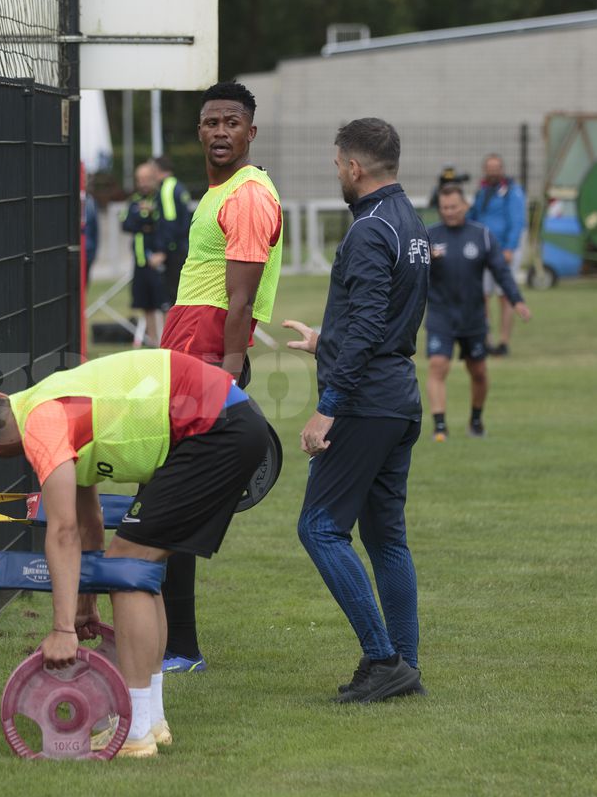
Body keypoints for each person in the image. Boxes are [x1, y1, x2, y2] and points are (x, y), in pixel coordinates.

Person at [0, 349, 268, 756]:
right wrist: (84, 606)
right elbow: (89, 523)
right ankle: (151, 722)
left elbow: (62, 533)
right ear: (0, 395)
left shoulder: (42, 426)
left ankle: (134, 733)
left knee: (127, 566)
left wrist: (63, 630)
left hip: (217, 428)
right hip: (230, 420)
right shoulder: (48, 400)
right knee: (138, 568)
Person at [283, 118, 429, 703]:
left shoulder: (369, 230)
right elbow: (387, 318)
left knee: (318, 528)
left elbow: (370, 322)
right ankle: (405, 666)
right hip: (397, 396)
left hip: (366, 402)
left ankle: (384, 658)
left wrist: (328, 407)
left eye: (337, 165)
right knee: (386, 538)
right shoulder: (409, 221)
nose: (337, 174)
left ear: (353, 167)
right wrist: (327, 341)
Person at [157, 80, 284, 674]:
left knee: (170, 501)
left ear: (251, 132)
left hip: (208, 354)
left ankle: (181, 649)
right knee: (165, 497)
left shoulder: (249, 195)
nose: (220, 132)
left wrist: (226, 378)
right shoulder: (218, 193)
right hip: (189, 347)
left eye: (232, 122)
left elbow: (240, 300)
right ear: (200, 131)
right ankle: (171, 642)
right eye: (211, 122)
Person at [425, 184, 532, 441]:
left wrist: (516, 300)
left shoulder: (482, 235)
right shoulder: (428, 236)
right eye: (444, 208)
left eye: (453, 207)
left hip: (473, 316)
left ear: (465, 206)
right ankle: (440, 426)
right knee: (438, 365)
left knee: (479, 371)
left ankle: (475, 420)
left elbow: (501, 271)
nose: (449, 212)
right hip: (440, 314)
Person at [468, 154, 527, 356]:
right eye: (489, 167)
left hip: (503, 250)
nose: (493, 171)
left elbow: (517, 221)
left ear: (502, 169)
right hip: (483, 250)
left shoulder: (512, 191)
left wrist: (509, 248)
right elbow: (473, 217)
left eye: (496, 167)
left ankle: (504, 341)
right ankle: (486, 339)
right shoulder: (482, 192)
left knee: (505, 295)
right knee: (482, 295)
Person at [120, 162, 169, 346]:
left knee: (164, 303)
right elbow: (126, 224)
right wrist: (144, 223)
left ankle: (168, 342)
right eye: (140, 180)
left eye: (147, 179)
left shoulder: (160, 198)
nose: (143, 183)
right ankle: (153, 341)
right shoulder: (134, 200)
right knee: (146, 304)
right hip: (140, 261)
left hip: (158, 260)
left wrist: (149, 217)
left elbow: (162, 223)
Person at [153, 155, 193, 304]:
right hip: (183, 245)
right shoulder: (178, 186)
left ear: (157, 170)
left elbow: (170, 221)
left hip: (175, 250)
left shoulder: (167, 189)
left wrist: (163, 249)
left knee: (173, 295)